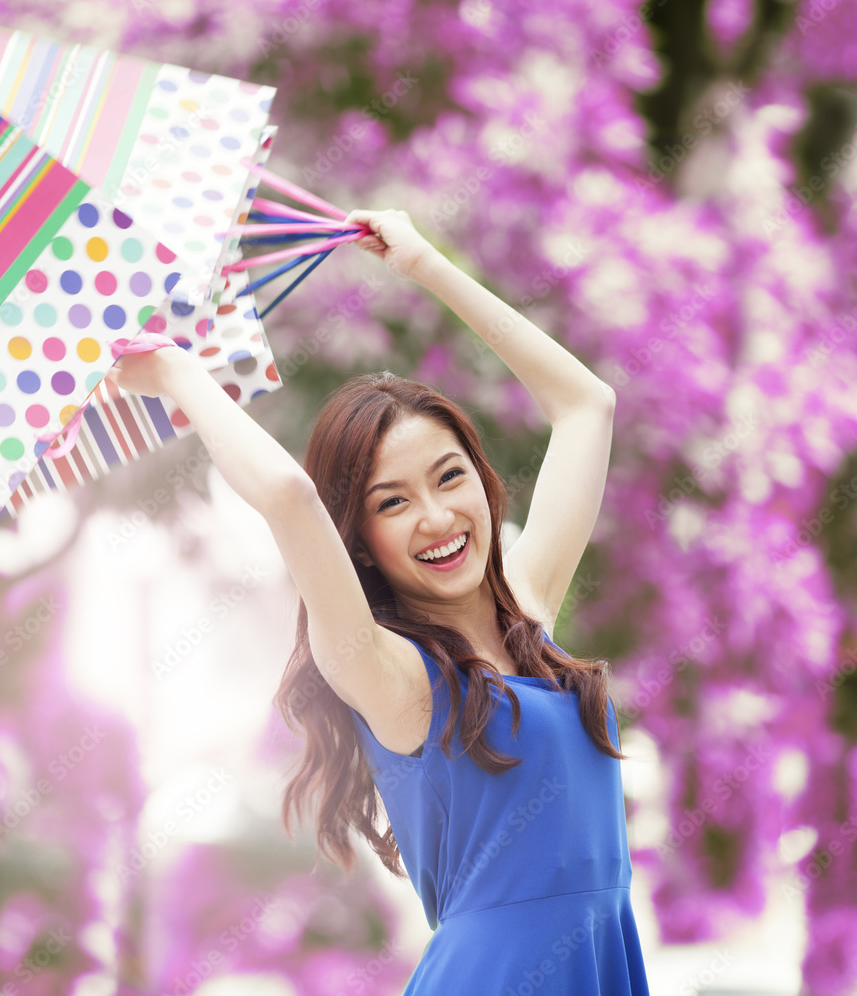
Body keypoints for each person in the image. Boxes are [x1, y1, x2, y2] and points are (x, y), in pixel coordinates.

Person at [107, 208, 652, 994]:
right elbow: (292, 495)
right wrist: (177, 374)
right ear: (359, 540)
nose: (435, 518)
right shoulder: (387, 671)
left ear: (482, 479)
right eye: (390, 503)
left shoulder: (529, 612)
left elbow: (586, 405)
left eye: (449, 476)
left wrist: (426, 262)